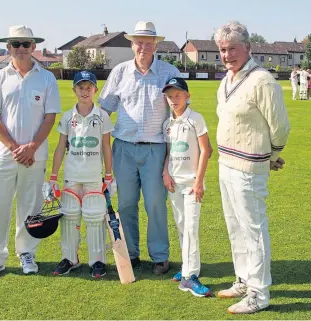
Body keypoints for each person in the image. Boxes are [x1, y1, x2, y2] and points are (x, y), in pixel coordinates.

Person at [214, 21, 290, 314]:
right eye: (222, 49)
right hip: (226, 162)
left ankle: (259, 293)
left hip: (249, 166)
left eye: (232, 48)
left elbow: (280, 127)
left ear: (248, 47)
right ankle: (244, 279)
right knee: (235, 227)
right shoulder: (226, 80)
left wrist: (271, 155)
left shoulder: (263, 81)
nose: (227, 54)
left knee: (254, 228)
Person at [98, 21, 181, 275]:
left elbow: (179, 111)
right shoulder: (120, 72)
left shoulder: (168, 72)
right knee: (126, 204)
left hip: (155, 149)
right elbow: (103, 110)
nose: (143, 47)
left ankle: (159, 256)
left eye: (148, 42)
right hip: (123, 147)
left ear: (155, 44)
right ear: (131, 44)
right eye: (139, 42)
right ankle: (131, 254)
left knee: (155, 203)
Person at [0, 25, 61, 280]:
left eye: (25, 44)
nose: (21, 49)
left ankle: (27, 253)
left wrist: (32, 147)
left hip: (35, 156)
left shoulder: (47, 78)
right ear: (8, 47)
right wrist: (17, 149)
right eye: (15, 44)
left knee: (31, 207)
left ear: (33, 47)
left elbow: (50, 117)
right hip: (5, 155)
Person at [49, 71, 114, 278]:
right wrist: (52, 176)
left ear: (95, 89)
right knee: (69, 215)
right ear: (74, 90)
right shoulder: (68, 116)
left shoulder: (102, 116)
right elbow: (60, 147)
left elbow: (106, 146)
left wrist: (109, 175)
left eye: (89, 88)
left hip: (94, 175)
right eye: (81, 88)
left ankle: (97, 261)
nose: (85, 91)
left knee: (95, 216)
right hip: (72, 175)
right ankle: (70, 258)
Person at [161, 77, 212, 297]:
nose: (174, 100)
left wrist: (199, 181)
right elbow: (169, 152)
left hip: (192, 184)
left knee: (191, 228)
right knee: (182, 226)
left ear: (187, 96)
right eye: (170, 96)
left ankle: (189, 277)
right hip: (174, 182)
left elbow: (206, 150)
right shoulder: (168, 123)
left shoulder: (196, 119)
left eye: (178, 95)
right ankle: (186, 266)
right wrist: (165, 173)